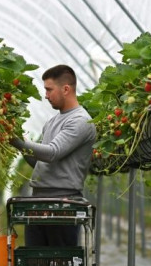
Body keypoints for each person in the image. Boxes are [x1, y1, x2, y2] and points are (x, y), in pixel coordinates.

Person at [10, 64, 96, 246]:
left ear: (66, 89)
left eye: (49, 90)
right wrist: (20, 143)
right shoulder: (52, 122)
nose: (46, 95)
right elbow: (41, 162)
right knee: (35, 261)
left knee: (61, 263)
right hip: (39, 200)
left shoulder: (80, 121)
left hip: (64, 204)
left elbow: (52, 153)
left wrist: (17, 141)